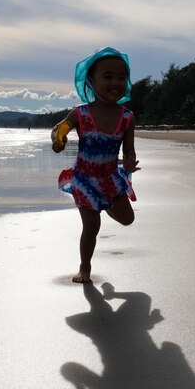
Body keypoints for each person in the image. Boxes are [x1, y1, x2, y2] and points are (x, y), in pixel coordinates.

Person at [52, 47, 140, 283]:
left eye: (121, 77)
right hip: (84, 179)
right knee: (91, 226)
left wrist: (130, 161)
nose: (116, 82)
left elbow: (128, 149)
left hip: (111, 178)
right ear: (91, 80)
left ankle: (108, 205)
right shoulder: (80, 114)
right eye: (108, 76)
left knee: (127, 219)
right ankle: (85, 268)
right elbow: (59, 130)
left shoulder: (127, 117)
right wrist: (59, 139)